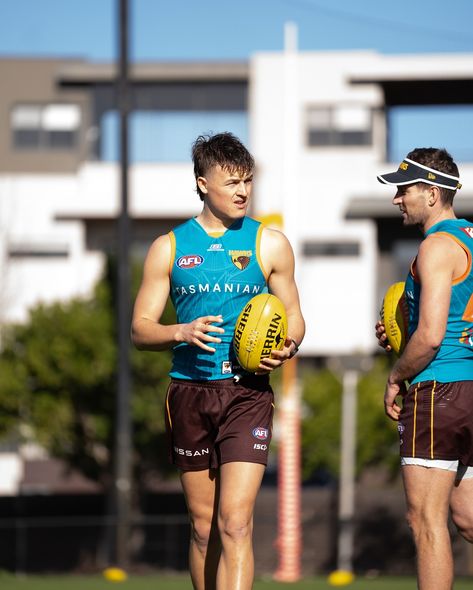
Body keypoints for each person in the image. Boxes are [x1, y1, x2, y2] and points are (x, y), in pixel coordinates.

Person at [131, 132, 305, 590]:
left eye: (247, 180)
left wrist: (286, 346)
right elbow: (140, 329)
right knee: (204, 528)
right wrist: (179, 331)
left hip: (247, 394)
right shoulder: (168, 247)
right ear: (203, 183)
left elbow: (295, 318)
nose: (243, 191)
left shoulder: (271, 243)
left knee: (236, 524)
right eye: (232, 182)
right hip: (188, 391)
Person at [375, 148, 473, 590]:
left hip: (439, 392)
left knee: (426, 522)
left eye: (404, 189)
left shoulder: (435, 247)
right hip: (470, 390)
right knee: (468, 518)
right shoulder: (470, 238)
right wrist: (400, 330)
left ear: (432, 194)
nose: (398, 199)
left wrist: (397, 375)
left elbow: (432, 336)